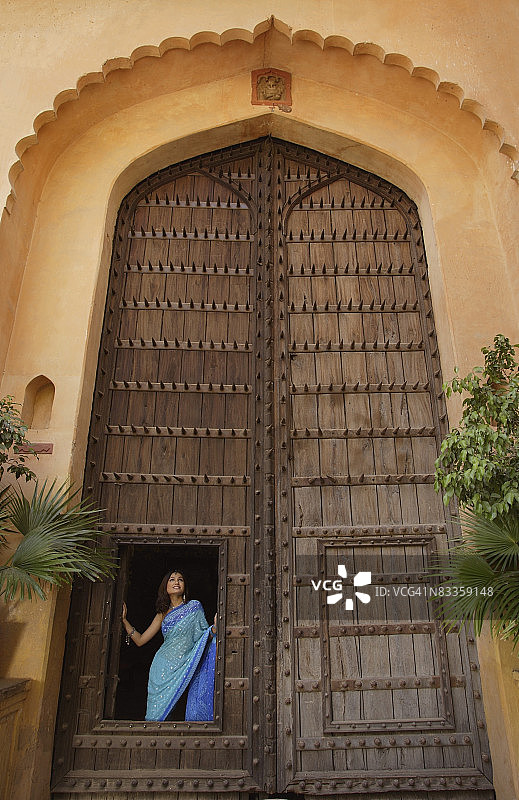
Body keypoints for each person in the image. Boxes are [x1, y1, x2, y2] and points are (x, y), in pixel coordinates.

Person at [122, 570, 217, 721]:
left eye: (180, 579)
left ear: (185, 586)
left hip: (185, 663)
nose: (176, 582)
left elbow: (203, 636)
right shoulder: (162, 614)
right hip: (161, 668)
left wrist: (214, 629)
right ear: (165, 587)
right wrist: (124, 621)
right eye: (172, 580)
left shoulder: (194, 607)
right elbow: (140, 640)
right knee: (156, 716)